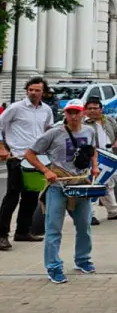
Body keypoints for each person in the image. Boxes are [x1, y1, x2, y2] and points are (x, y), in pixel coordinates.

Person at [25, 100, 99, 283]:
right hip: (58, 185)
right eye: (70, 112)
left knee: (84, 225)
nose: (73, 116)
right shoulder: (54, 133)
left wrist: (95, 166)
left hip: (80, 183)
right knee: (53, 229)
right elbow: (30, 153)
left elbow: (93, 150)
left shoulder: (89, 131)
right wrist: (46, 170)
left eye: (77, 112)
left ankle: (82, 259)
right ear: (65, 114)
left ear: (83, 113)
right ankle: (54, 267)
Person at [0, 76, 54, 251]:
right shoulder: (15, 108)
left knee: (31, 196)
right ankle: (2, 235)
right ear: (26, 90)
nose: (33, 93)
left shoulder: (46, 110)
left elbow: (48, 131)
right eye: (30, 89)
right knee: (12, 196)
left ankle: (23, 231)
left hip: (37, 158)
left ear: (43, 92)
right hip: (17, 157)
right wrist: (2, 147)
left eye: (37, 90)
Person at [82, 97, 117, 223]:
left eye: (95, 108)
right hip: (92, 157)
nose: (92, 111)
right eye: (89, 108)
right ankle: (89, 214)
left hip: (109, 155)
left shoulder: (108, 119)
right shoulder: (83, 123)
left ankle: (113, 211)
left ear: (101, 109)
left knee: (108, 184)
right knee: (91, 185)